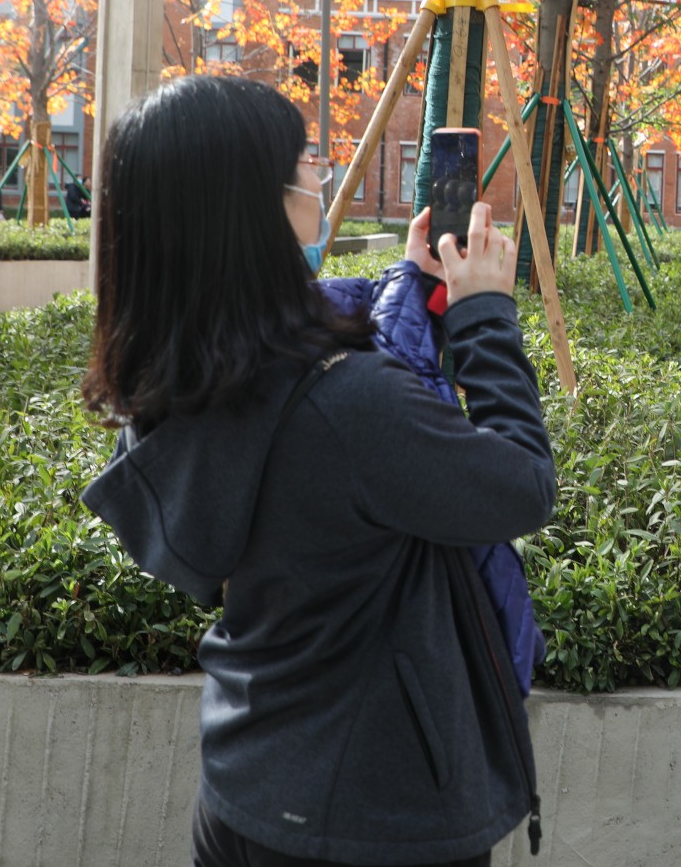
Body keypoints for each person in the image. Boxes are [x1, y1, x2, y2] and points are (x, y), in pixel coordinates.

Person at [78, 76, 554, 867]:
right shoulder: (349, 406)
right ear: (250, 209)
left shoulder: (182, 375)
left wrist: (415, 287)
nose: (319, 183)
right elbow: (520, 484)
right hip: (375, 819)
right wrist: (485, 319)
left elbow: (331, 389)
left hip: (249, 786)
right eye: (304, 165)